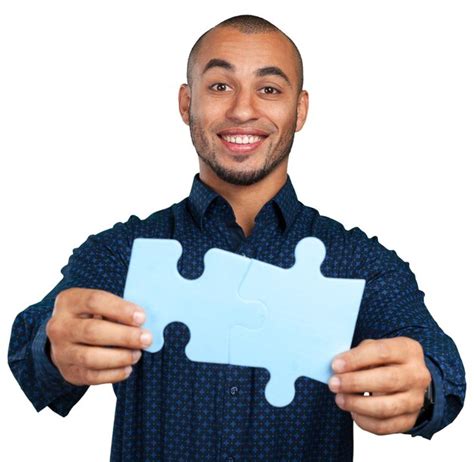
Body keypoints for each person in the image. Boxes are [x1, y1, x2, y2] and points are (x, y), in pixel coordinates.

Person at [8, 14, 466, 462]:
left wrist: (422, 387)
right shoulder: (123, 252)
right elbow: (30, 349)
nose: (243, 109)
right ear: (187, 103)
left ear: (299, 110)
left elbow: (444, 372)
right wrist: (53, 347)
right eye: (220, 86)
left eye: (269, 89)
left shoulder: (362, 264)